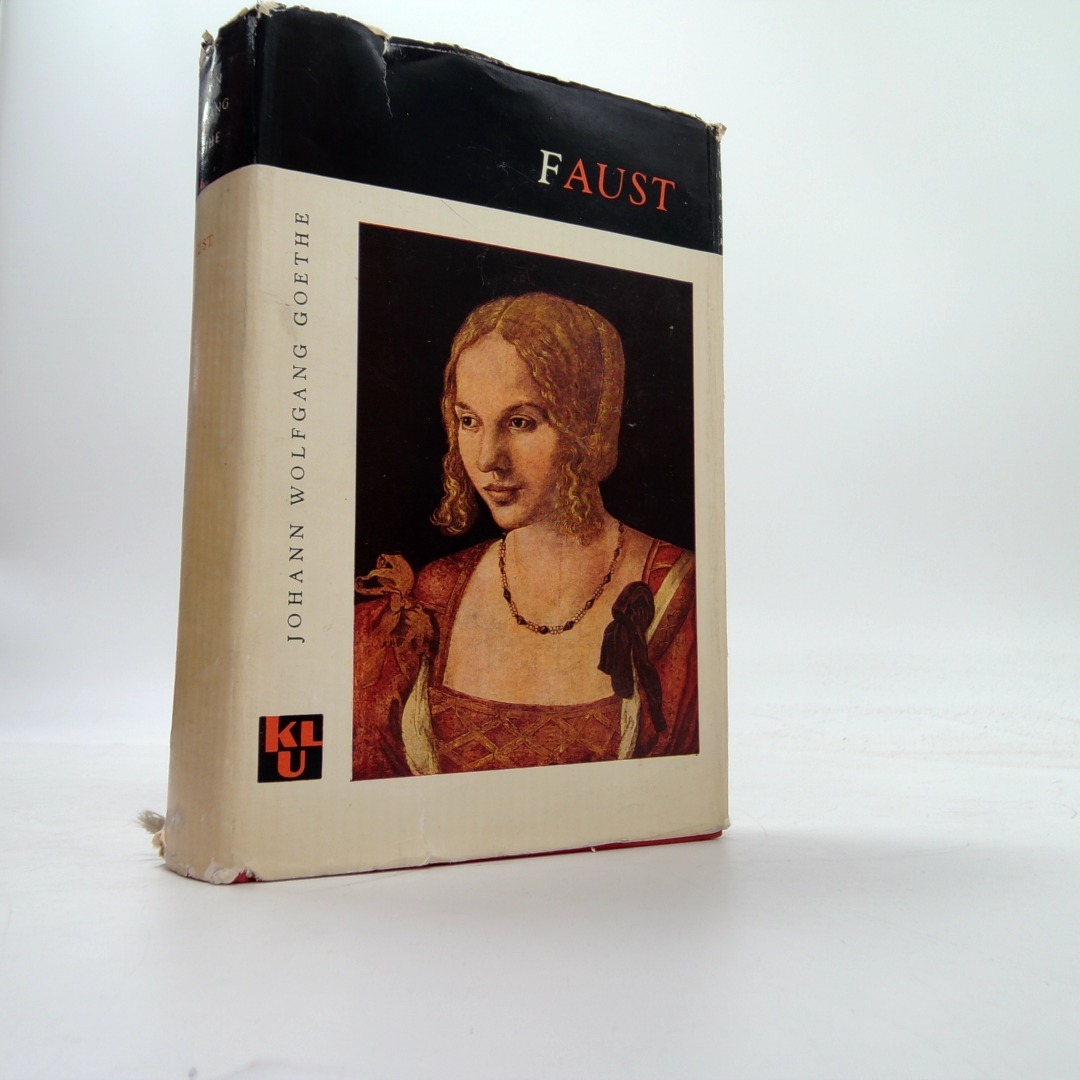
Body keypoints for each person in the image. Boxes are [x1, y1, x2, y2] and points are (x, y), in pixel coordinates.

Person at [353, 292, 697, 778]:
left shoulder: (677, 593)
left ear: (588, 425)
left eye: (520, 422)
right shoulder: (433, 596)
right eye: (469, 421)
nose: (488, 458)